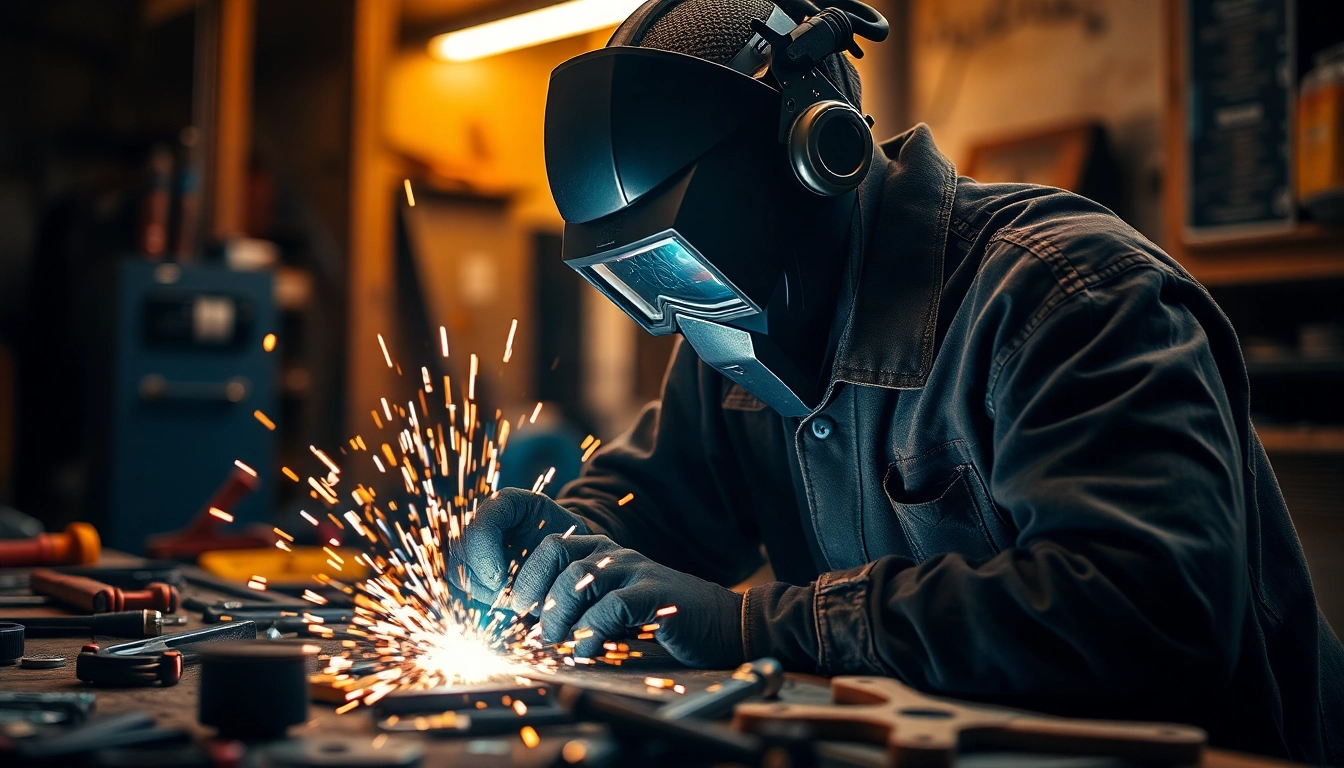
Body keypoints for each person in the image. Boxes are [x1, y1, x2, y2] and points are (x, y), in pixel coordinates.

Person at [448, 0, 1343, 763]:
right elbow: (660, 517)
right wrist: (560, 547)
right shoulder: (727, 324)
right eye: (648, 285)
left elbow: (1147, 615)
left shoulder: (1064, 296)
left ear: (821, 155)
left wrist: (758, 628)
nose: (686, 315)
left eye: (687, 272)